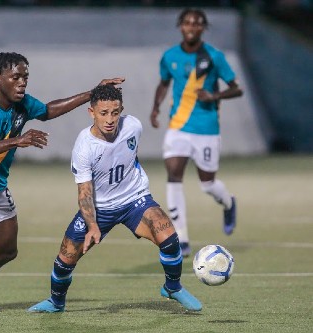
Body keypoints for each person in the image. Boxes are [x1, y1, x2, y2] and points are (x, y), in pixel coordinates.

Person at [0, 51, 125, 317]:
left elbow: (49, 111)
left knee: (6, 250)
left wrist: (93, 93)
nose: (22, 82)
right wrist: (18, 140)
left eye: (25, 77)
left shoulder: (23, 104)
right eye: (16, 76)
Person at [27, 84, 202, 313]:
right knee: (65, 259)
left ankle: (172, 287)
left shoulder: (133, 126)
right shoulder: (84, 147)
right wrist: (92, 226)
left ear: (121, 110)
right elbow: (85, 193)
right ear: (91, 113)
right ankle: (55, 302)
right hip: (99, 209)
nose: (110, 119)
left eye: (115, 112)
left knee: (168, 237)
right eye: (103, 113)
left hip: (134, 199)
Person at [149, 8, 243, 257]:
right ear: (180, 26)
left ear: (203, 28)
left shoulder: (213, 56)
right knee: (174, 174)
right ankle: (180, 238)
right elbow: (164, 82)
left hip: (207, 128)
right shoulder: (169, 56)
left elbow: (236, 89)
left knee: (207, 184)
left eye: (197, 23)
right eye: (187, 22)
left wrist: (214, 95)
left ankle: (228, 202)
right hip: (178, 127)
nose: (192, 27)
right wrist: (156, 107)